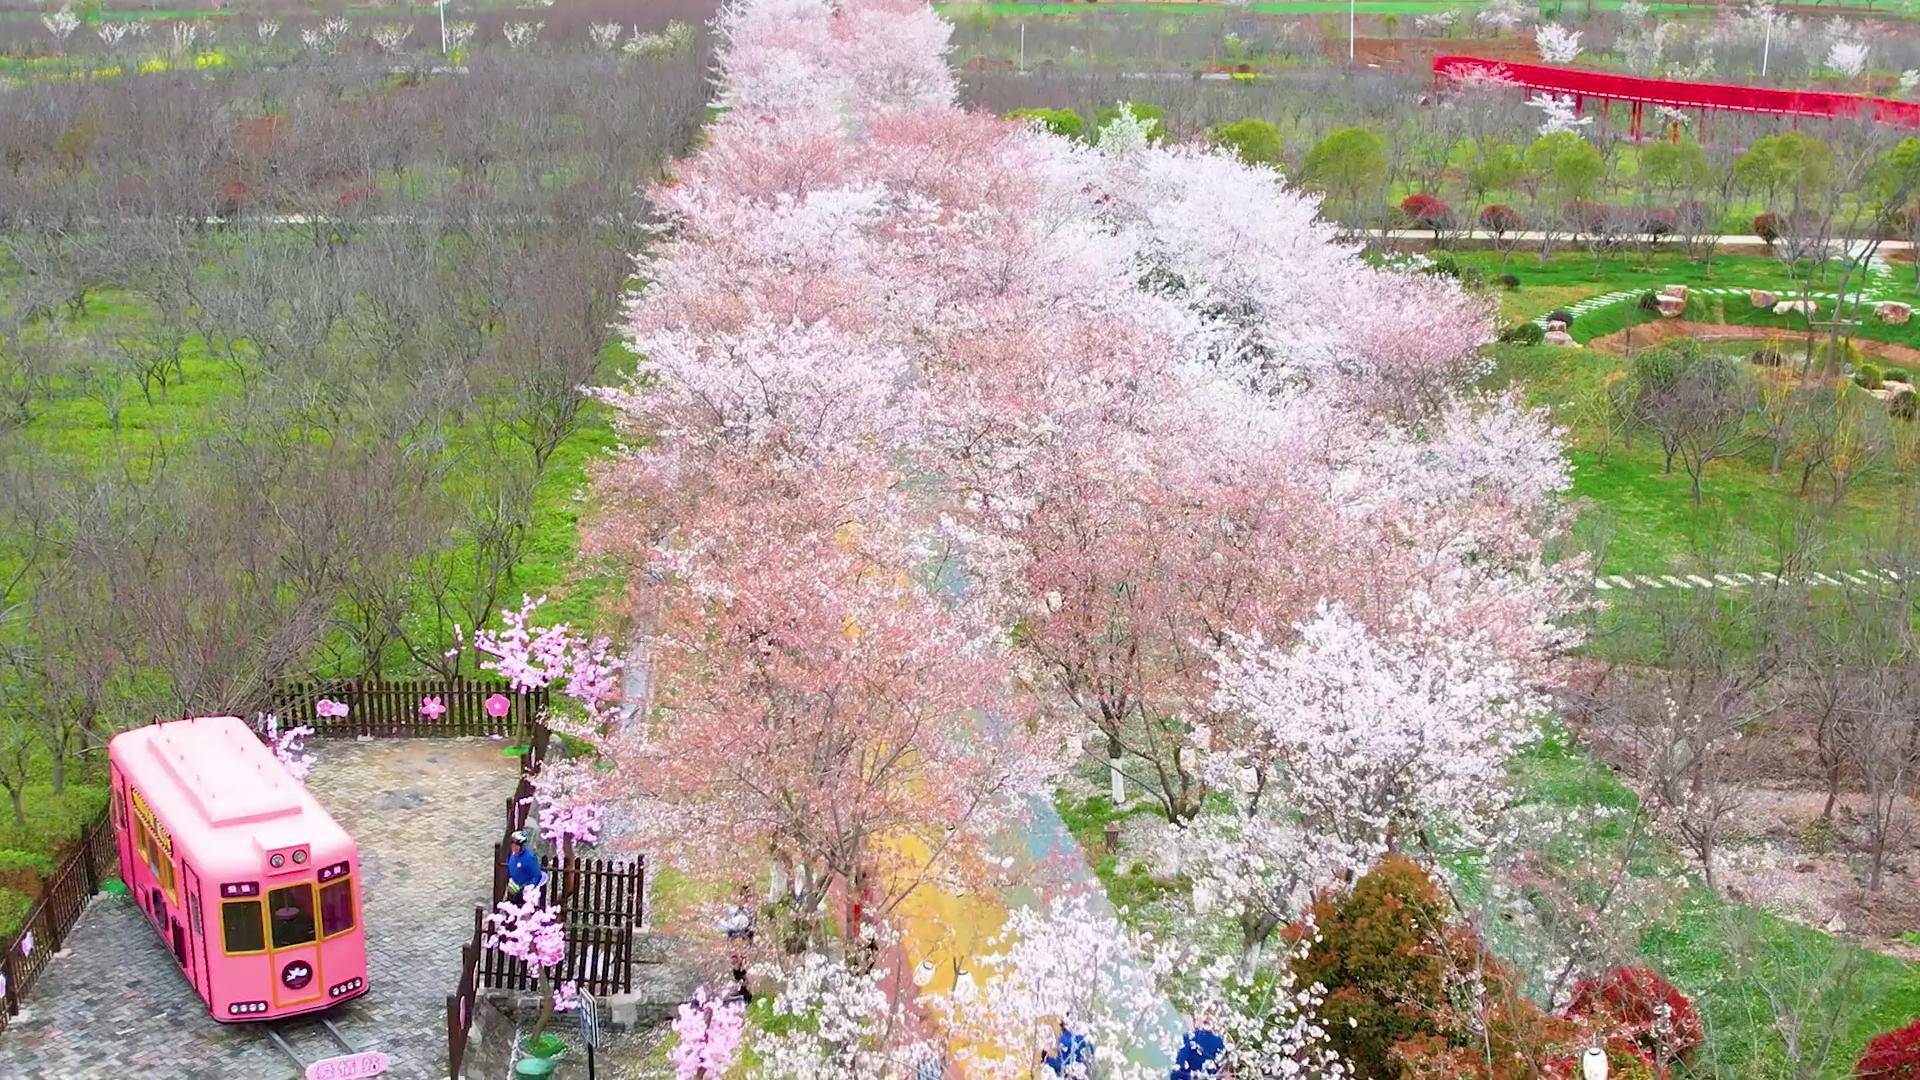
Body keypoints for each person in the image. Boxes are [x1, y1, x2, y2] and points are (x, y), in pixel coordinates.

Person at [505, 830, 547, 899]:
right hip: (514, 889)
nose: (514, 847)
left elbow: (537, 875)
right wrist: (511, 879)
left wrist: (531, 886)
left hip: (527, 893)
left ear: (522, 846)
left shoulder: (530, 858)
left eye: (516, 845)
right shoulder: (512, 855)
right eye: (512, 845)